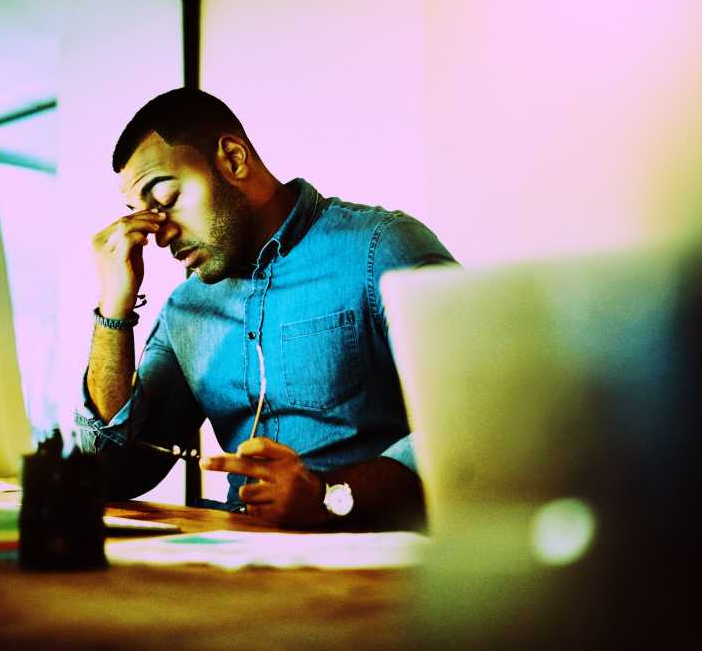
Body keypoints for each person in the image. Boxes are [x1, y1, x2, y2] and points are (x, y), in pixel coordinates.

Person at [74, 88, 456, 529]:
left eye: (166, 199)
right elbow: (113, 473)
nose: (159, 235)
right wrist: (113, 309)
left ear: (233, 159)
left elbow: (480, 423)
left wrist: (328, 494)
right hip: (240, 568)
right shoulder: (187, 309)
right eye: (144, 215)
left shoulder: (381, 250)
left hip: (375, 568)